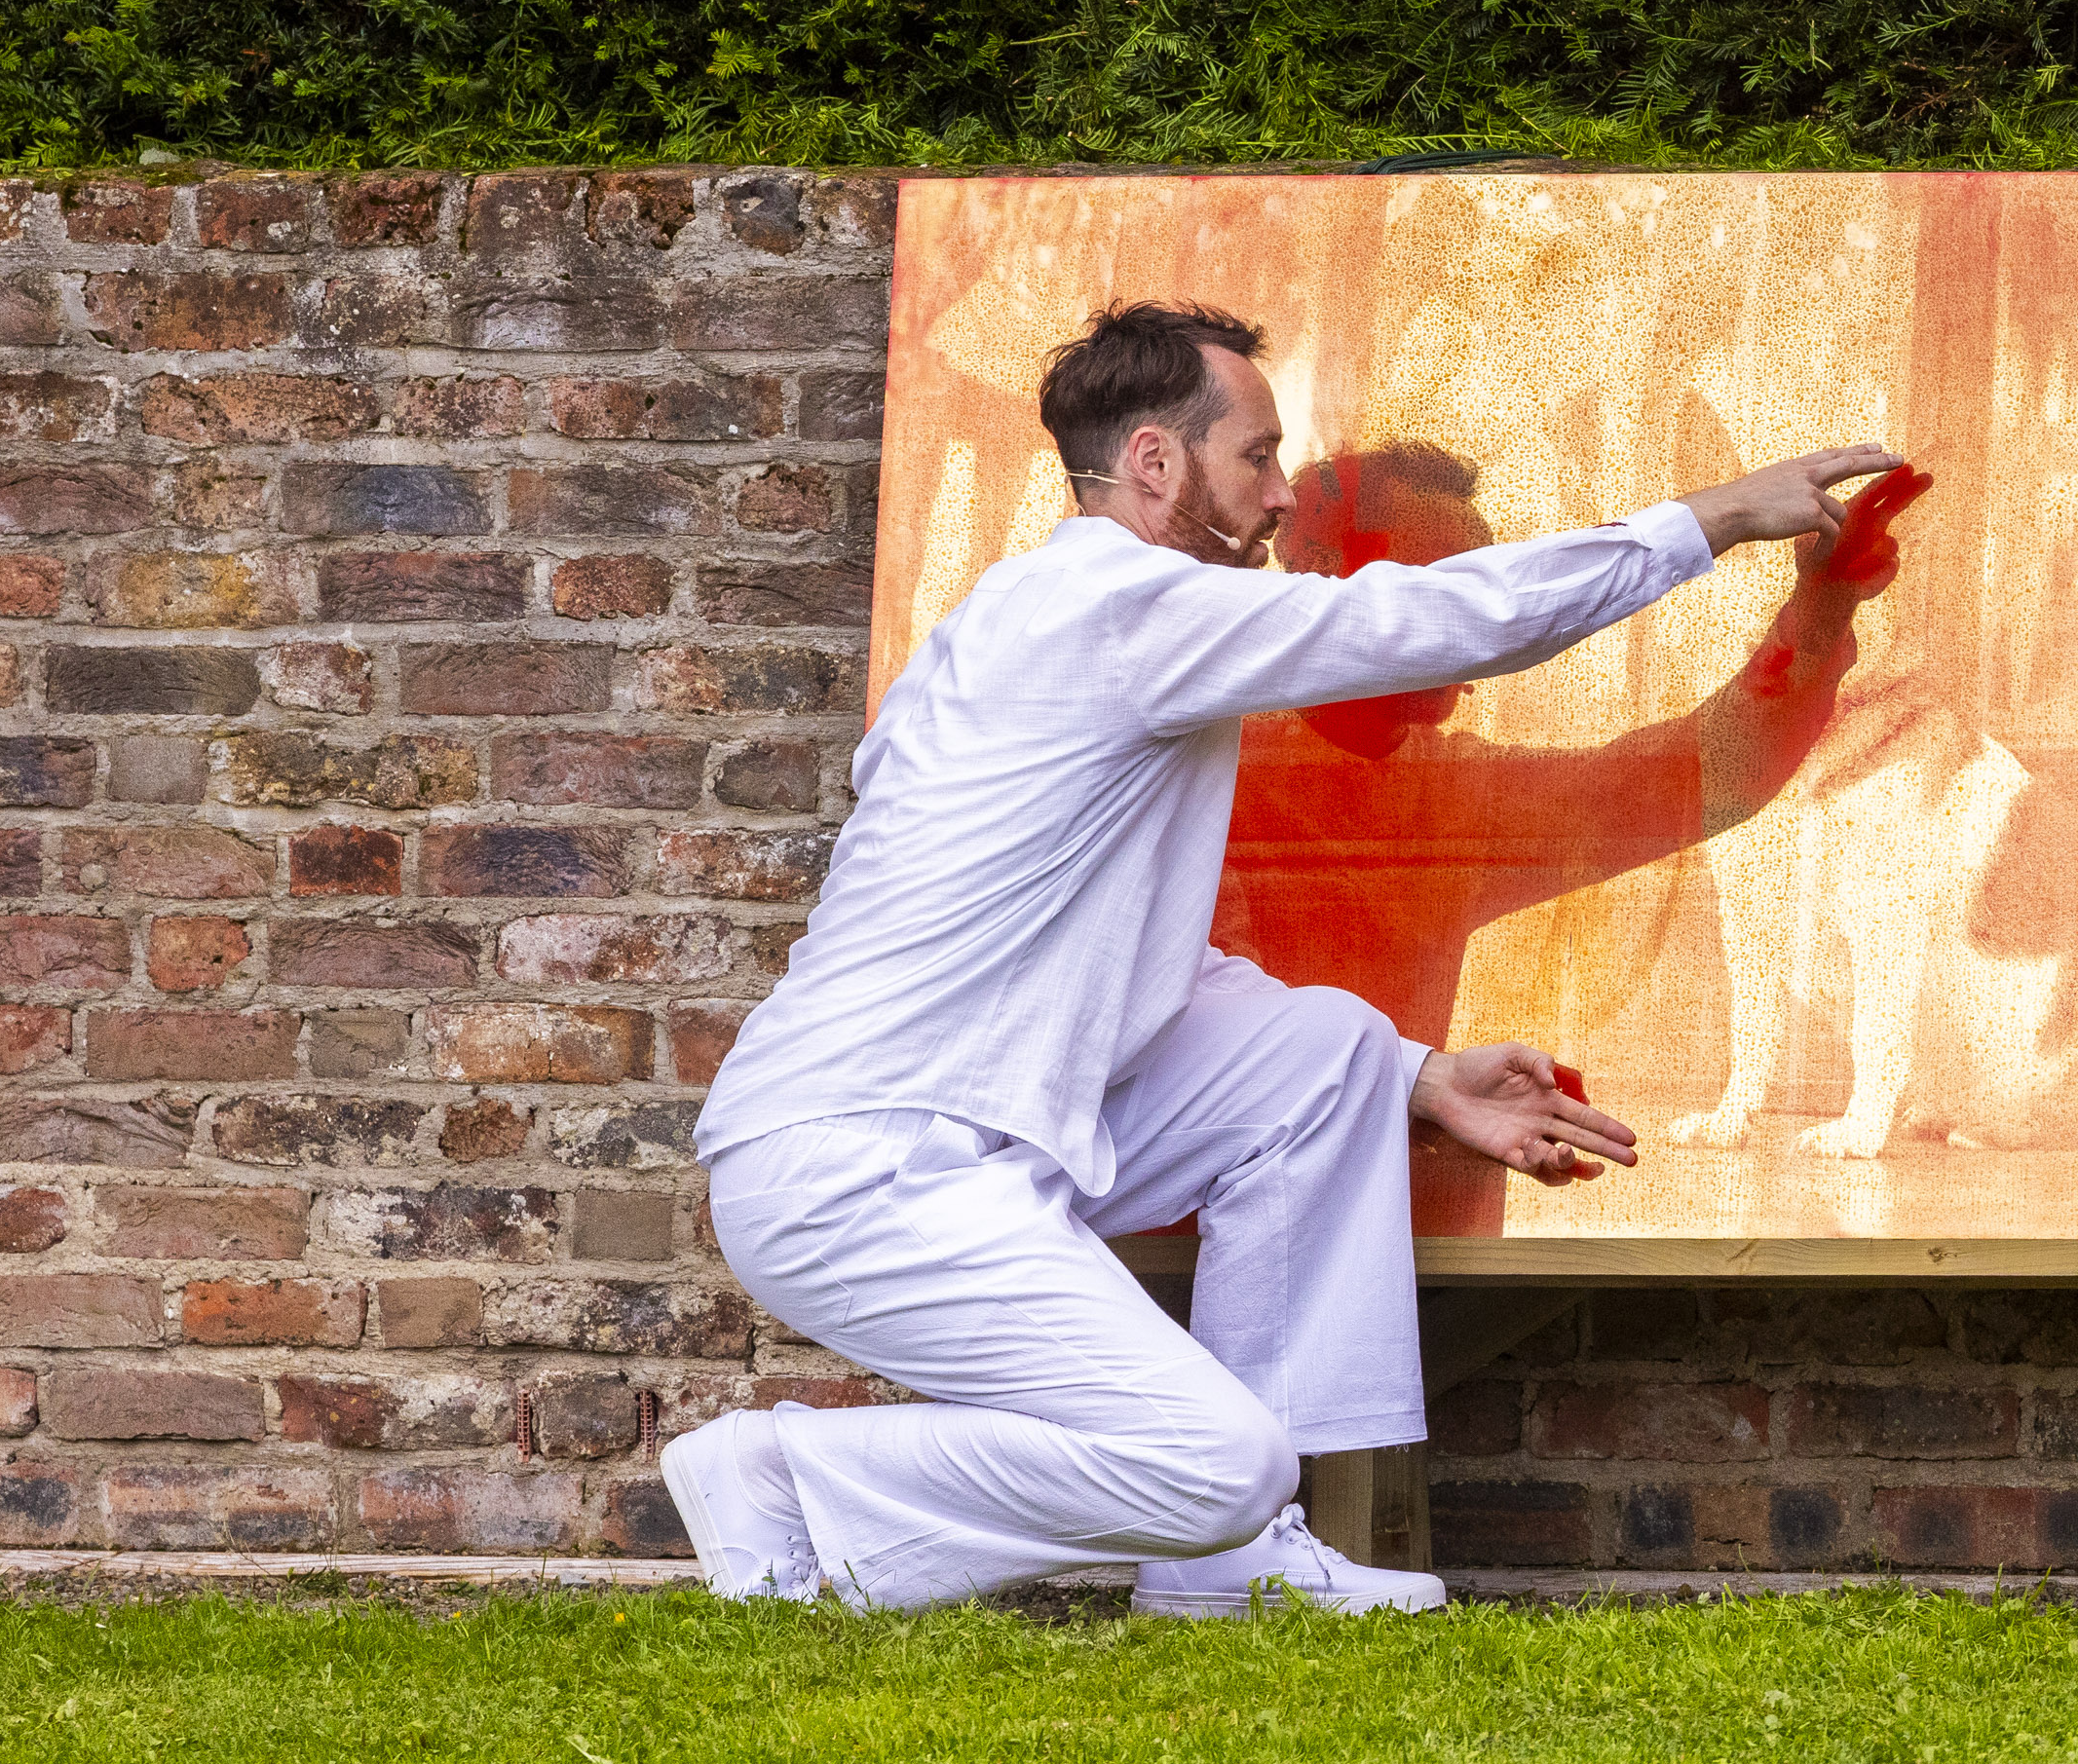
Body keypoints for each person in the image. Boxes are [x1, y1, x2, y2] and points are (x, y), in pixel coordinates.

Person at [665, 298, 1897, 1615]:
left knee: (1322, 1064)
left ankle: (1232, 1579)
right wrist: (1706, 520)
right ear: (1154, 462)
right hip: (868, 1160)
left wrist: (1415, 1075)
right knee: (1212, 1468)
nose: (1275, 500)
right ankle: (786, 1474)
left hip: (971, 1127)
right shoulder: (1115, 606)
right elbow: (1416, 623)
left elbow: (1140, 969)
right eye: (1254, 458)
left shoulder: (1067, 632)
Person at [1209, 439, 1894, 1235]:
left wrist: (1823, 607)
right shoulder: (1205, 765)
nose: (1485, 627)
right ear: (1331, 580)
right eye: (1448, 587)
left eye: (1486, 587)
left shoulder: (1446, 793)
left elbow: (1698, 778)